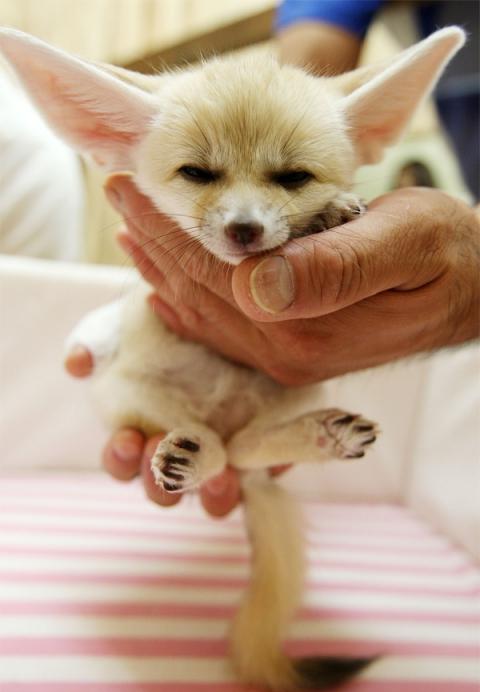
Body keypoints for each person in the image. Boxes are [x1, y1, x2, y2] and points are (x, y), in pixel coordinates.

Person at [66, 1, 480, 517]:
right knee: (129, 387)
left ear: (370, 134)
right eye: (199, 173)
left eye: (291, 178)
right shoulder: (151, 140)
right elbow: (302, 59)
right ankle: (211, 450)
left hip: (274, 396)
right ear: (109, 134)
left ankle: (263, 442)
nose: (245, 218)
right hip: (167, 389)